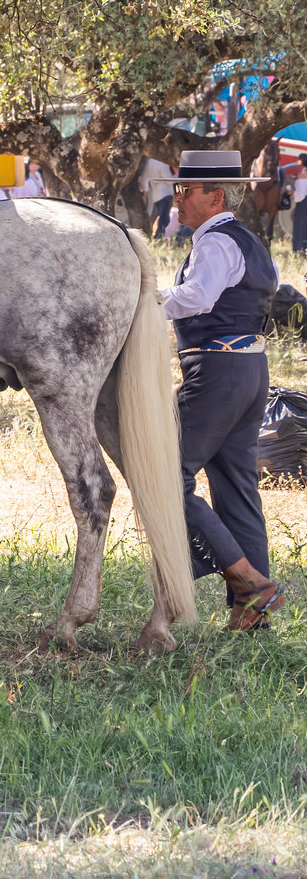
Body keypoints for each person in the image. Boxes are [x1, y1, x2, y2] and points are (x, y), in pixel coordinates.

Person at [162, 150, 284, 631]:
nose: (176, 201)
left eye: (185, 192)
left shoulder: (214, 243)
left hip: (217, 373)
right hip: (250, 372)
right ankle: (252, 617)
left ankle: (248, 581)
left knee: (167, 479)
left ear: (215, 197)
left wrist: (140, 301)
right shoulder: (249, 241)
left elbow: (196, 299)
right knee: (237, 488)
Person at [138, 156, 176, 239]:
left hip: (155, 195)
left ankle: (154, 236)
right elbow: (169, 180)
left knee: (157, 217)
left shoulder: (149, 162)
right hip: (166, 193)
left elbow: (144, 178)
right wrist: (179, 174)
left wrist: (144, 190)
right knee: (164, 219)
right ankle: (159, 238)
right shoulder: (163, 162)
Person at [290, 154, 307, 255]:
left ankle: (298, 250)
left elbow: (301, 193)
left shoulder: (302, 174)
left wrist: (292, 193)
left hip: (303, 203)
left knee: (299, 225)